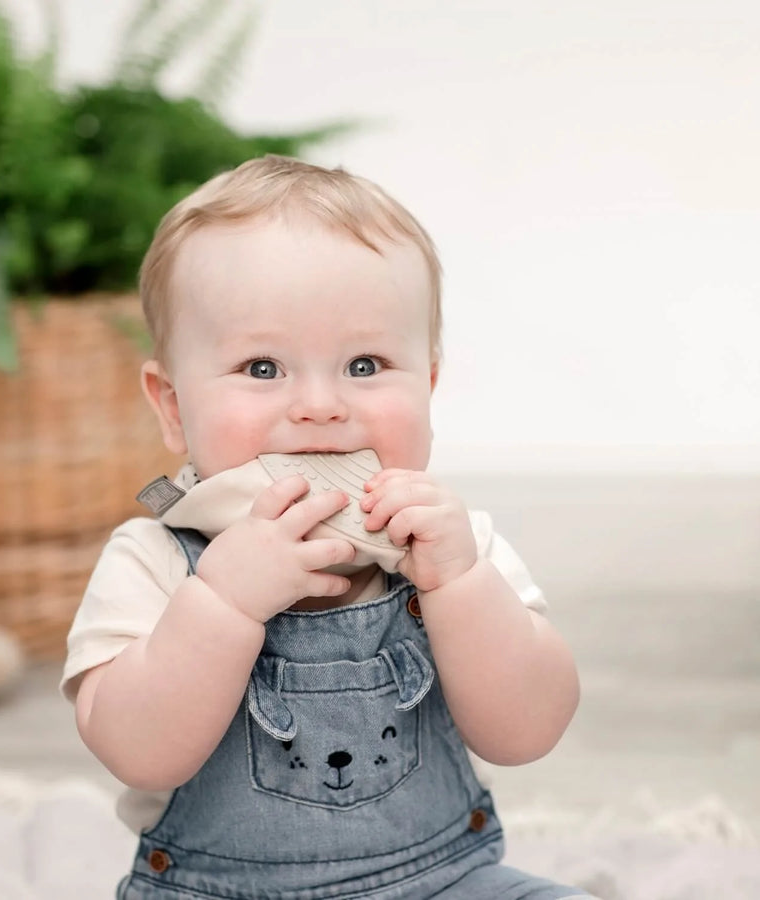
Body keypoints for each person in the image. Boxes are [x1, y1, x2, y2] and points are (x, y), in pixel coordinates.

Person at [62, 155, 590, 899]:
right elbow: (137, 753)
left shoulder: (453, 546)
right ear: (174, 406)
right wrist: (223, 604)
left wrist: (461, 587)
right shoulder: (153, 559)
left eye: (366, 365)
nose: (319, 405)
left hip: (437, 880)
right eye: (263, 368)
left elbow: (527, 733)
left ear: (428, 386)